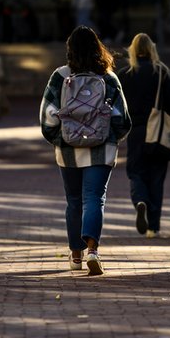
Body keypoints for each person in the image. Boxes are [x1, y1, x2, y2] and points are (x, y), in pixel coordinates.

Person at [40, 25, 131, 275]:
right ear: (97, 48)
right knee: (94, 198)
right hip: (101, 150)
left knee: (73, 201)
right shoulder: (109, 78)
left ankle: (75, 255)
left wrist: (60, 139)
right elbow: (123, 119)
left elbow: (47, 118)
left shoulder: (60, 76)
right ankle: (93, 250)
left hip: (68, 151)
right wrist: (109, 139)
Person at [117, 33, 170, 238]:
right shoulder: (162, 72)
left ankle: (140, 201)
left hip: (135, 131)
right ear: (153, 49)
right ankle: (153, 227)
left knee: (135, 172)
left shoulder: (125, 75)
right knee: (157, 176)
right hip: (159, 131)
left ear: (133, 50)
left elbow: (117, 106)